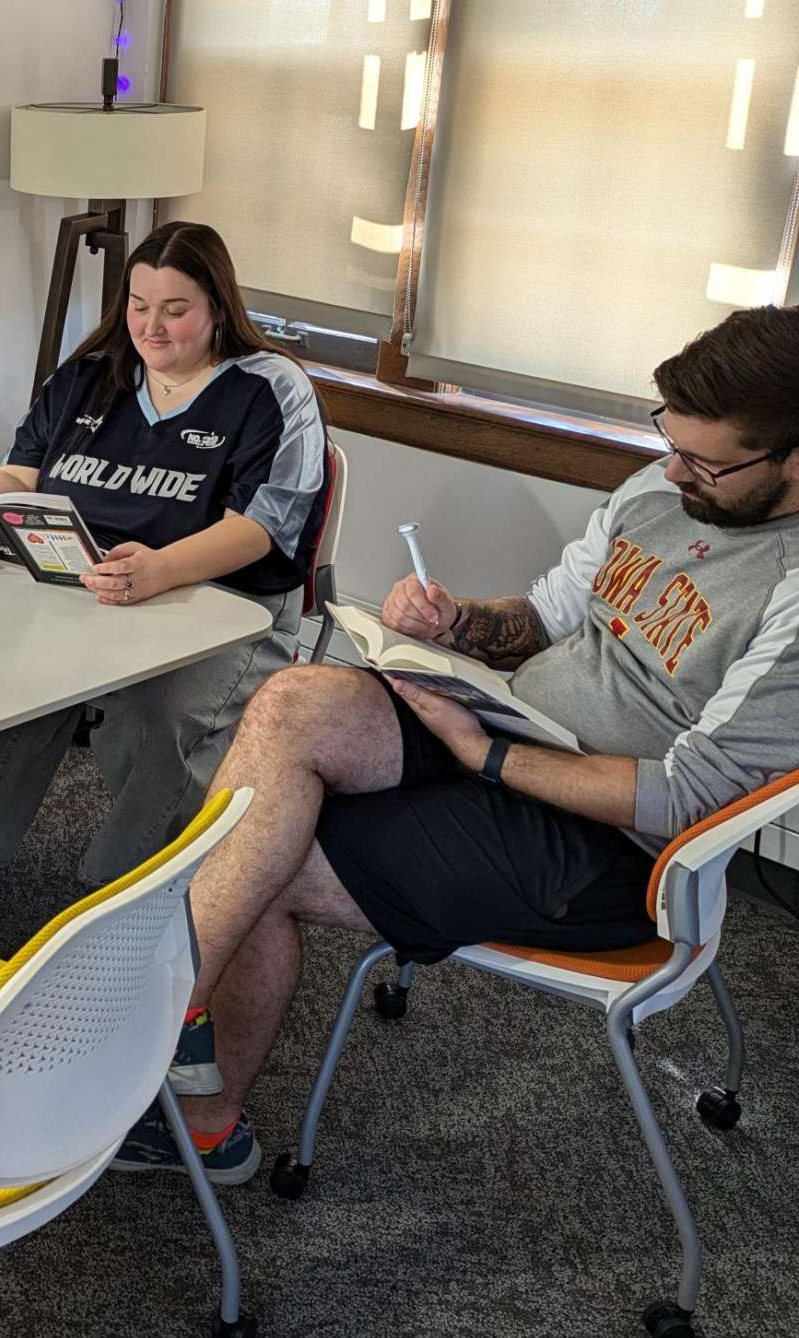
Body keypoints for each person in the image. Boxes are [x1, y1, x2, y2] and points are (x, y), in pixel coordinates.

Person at [112, 302, 799, 1185]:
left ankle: (194, 1109)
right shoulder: (657, 490)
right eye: (670, 439)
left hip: (607, 849)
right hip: (509, 726)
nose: (672, 469)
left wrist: (483, 755)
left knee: (267, 854)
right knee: (290, 705)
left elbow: (692, 794)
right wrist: (457, 624)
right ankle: (177, 1016)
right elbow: (548, 616)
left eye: (703, 461)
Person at [0, 221, 330, 894]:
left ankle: (126, 892)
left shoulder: (271, 389)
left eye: (175, 310)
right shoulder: (91, 375)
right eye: (139, 306)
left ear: (218, 309)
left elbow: (258, 530)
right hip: (80, 582)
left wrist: (160, 568)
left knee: (160, 712)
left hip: (223, 601)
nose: (152, 326)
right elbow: (21, 473)